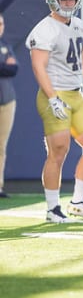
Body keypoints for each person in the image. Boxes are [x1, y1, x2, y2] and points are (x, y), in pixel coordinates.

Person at [25, 0, 83, 223]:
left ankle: (79, 202)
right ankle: (53, 208)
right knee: (59, 150)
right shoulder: (44, 30)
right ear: (52, 0)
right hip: (55, 94)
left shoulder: (79, 26)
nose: (70, 4)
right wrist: (52, 98)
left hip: (75, 94)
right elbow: (38, 67)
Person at [0, 13, 18, 198]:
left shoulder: (5, 46)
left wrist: (5, 66)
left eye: (2, 23)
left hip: (7, 100)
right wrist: (4, 65)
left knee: (1, 146)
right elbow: (7, 67)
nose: (0, 26)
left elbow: (14, 68)